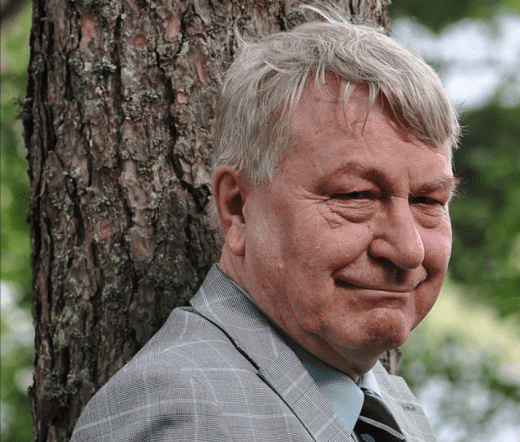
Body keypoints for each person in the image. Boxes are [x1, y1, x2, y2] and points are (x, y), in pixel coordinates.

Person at [70, 7, 459, 442]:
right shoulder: (178, 410)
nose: (408, 250)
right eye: (356, 196)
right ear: (237, 207)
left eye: (428, 200)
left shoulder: (385, 406)